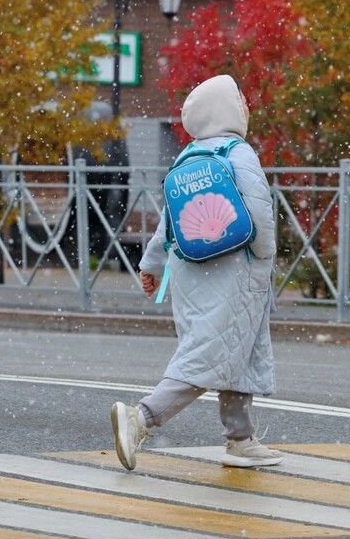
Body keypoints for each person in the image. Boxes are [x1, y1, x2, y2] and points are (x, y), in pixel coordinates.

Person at [111, 74, 282, 471]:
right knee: (208, 355)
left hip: (191, 271)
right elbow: (260, 214)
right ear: (225, 111)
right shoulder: (240, 155)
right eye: (240, 101)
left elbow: (169, 222)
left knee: (232, 349)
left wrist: (151, 263)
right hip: (235, 272)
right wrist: (266, 259)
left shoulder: (187, 158)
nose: (246, 107)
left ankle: (240, 439)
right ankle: (140, 419)